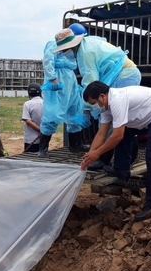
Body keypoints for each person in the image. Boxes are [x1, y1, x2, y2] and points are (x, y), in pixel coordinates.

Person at [80, 81, 151, 221]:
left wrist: (98, 153)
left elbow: (117, 136)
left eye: (94, 102)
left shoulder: (117, 100)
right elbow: (101, 134)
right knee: (122, 134)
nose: (96, 106)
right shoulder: (106, 108)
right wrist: (90, 155)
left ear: (102, 96)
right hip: (148, 116)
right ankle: (122, 170)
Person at [53, 24, 142, 168]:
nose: (64, 53)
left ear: (70, 46)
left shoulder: (85, 54)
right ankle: (126, 158)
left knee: (110, 120)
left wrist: (86, 110)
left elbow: (91, 85)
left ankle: (103, 159)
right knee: (122, 120)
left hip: (123, 76)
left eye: (64, 49)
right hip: (124, 74)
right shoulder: (88, 44)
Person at [37, 28, 90, 158]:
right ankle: (42, 148)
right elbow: (48, 60)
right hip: (58, 80)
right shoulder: (53, 45)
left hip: (70, 79)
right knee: (53, 112)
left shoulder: (73, 47)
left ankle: (75, 145)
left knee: (75, 109)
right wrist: (52, 78)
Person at [22, 83, 44, 152]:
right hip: (44, 138)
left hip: (30, 140)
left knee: (29, 160)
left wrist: (39, 129)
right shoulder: (45, 103)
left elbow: (28, 121)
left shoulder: (27, 104)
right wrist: (43, 131)